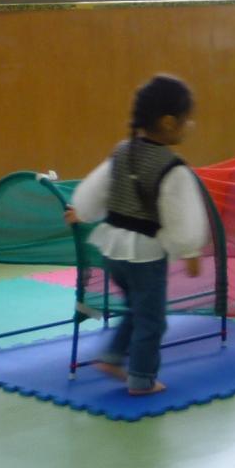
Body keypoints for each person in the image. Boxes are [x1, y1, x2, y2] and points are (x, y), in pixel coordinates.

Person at [65, 74, 209, 396]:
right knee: (153, 320)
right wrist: (190, 251)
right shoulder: (173, 168)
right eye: (188, 120)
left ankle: (113, 357)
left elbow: (96, 189)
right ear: (170, 122)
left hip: (113, 249)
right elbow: (181, 216)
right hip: (144, 253)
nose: (191, 126)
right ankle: (142, 379)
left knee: (136, 306)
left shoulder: (122, 151)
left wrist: (82, 210)